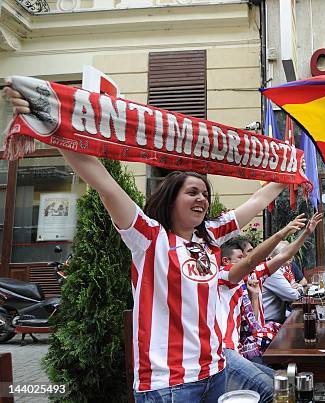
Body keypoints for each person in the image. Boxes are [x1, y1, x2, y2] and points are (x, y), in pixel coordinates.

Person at [4, 83, 292, 402]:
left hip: (216, 371)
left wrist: (290, 172)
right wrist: (48, 121)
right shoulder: (148, 236)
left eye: (205, 194)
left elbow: (258, 199)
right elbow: (104, 183)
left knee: (276, 391)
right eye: (192, 192)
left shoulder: (210, 235)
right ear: (171, 200)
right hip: (170, 385)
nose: (202, 199)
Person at [218, 213, 322, 402]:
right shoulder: (223, 278)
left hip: (240, 347)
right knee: (274, 390)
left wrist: (306, 233)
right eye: (242, 256)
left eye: (247, 255)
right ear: (226, 262)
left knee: (286, 383)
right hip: (226, 352)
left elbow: (284, 255)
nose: (248, 259)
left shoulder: (250, 276)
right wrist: (282, 232)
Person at [261, 241, 304, 323]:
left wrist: (294, 288)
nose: (290, 256)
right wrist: (300, 288)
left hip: (277, 318)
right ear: (274, 257)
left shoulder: (283, 269)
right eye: (286, 253)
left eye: (291, 253)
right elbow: (293, 295)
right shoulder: (273, 272)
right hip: (268, 322)